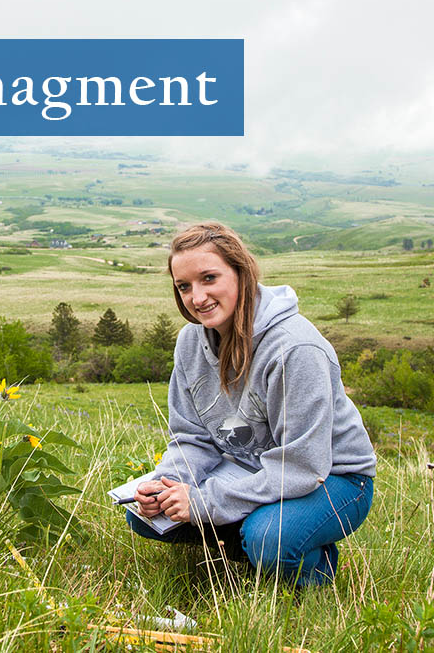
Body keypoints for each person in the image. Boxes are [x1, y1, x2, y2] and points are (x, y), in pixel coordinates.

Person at [127, 222, 376, 588]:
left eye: (209, 278)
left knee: (270, 537)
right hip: (251, 468)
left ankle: (309, 570)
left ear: (242, 274)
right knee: (144, 517)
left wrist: (206, 503)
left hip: (332, 477)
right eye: (184, 286)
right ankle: (250, 542)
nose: (197, 298)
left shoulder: (295, 349)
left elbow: (303, 466)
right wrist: (168, 486)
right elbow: (192, 438)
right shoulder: (190, 342)